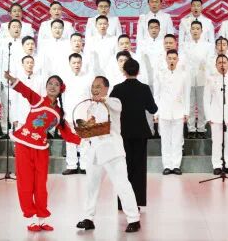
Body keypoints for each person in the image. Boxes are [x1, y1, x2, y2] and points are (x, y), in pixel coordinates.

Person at [3, 72, 81, 232]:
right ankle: (31, 219)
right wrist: (12, 80)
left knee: (40, 185)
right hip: (24, 145)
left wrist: (84, 139)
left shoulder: (59, 113)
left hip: (41, 149)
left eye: (56, 84)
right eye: (50, 83)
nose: (52, 86)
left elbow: (67, 134)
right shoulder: (38, 100)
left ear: (61, 89)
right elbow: (26, 91)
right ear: (46, 87)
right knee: (25, 183)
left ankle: (42, 219)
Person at [76, 76, 142, 233]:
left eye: (98, 86)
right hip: (95, 152)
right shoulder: (91, 107)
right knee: (91, 186)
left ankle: (134, 219)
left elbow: (117, 107)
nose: (95, 89)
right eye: (93, 86)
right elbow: (90, 128)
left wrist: (103, 99)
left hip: (112, 152)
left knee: (122, 185)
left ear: (106, 88)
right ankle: (88, 218)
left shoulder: (113, 101)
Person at [109, 58, 158, 208]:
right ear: (138, 71)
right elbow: (153, 109)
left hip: (122, 133)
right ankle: (137, 201)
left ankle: (123, 203)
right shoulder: (144, 88)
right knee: (139, 168)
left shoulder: (117, 89)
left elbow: (110, 107)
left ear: (124, 71)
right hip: (140, 132)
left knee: (123, 169)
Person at [154, 50, 189, 174]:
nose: (172, 61)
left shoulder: (183, 75)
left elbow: (186, 94)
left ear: (178, 60)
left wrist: (186, 112)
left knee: (177, 140)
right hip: (164, 111)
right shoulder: (160, 74)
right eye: (169, 58)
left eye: (174, 58)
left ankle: (176, 165)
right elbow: (156, 94)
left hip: (178, 111)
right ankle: (167, 165)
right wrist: (156, 112)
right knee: (165, 140)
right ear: (166, 59)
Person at [205, 54, 228, 174]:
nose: (222, 65)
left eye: (224, 63)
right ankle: (217, 165)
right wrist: (208, 117)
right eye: (219, 63)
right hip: (215, 116)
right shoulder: (211, 79)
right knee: (216, 143)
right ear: (216, 65)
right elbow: (206, 99)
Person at [61, 53, 92, 175]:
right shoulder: (64, 79)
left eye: (78, 62)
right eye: (74, 63)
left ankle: (85, 165)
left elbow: (91, 97)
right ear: (69, 64)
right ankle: (72, 165)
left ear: (82, 63)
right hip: (69, 114)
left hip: (84, 114)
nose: (76, 65)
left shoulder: (88, 78)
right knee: (70, 140)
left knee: (85, 141)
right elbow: (61, 97)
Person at [183, 20, 212, 139]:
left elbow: (210, 61)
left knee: (202, 105)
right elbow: (183, 61)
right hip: (189, 79)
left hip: (202, 77)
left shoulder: (208, 46)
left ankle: (201, 128)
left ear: (201, 31)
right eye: (193, 29)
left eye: (197, 29)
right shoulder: (184, 45)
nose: (195, 31)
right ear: (190, 31)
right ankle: (190, 129)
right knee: (189, 105)